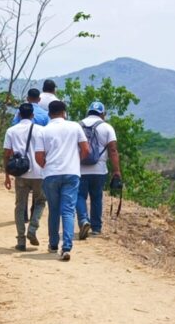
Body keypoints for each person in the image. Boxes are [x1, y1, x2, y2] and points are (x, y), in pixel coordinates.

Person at [34, 100, 89, 261]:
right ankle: (66, 247)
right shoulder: (75, 127)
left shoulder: (43, 131)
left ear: (49, 114)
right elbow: (86, 149)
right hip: (72, 173)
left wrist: (47, 166)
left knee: (54, 210)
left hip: (51, 174)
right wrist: (75, 162)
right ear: (64, 112)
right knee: (68, 210)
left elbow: (38, 156)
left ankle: (52, 244)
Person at [4, 103, 46, 251]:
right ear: (33, 115)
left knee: (20, 206)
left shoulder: (11, 131)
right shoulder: (41, 130)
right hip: (39, 173)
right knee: (40, 201)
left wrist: (7, 175)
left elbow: (7, 154)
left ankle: (21, 240)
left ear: (19, 115)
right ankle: (33, 228)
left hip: (20, 173)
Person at [76, 101, 122, 239]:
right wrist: (116, 171)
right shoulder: (107, 127)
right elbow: (113, 150)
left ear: (88, 112)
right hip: (99, 169)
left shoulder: (77, 126)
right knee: (96, 197)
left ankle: (84, 220)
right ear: (102, 114)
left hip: (80, 169)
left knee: (79, 196)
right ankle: (96, 228)